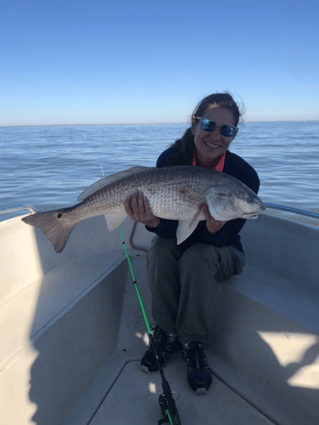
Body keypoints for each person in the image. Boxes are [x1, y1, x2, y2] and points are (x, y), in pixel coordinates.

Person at [124, 93, 261, 394]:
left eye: (227, 130)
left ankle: (193, 342)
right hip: (177, 240)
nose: (216, 136)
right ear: (194, 123)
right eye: (210, 125)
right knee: (161, 250)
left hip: (225, 250)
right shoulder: (170, 160)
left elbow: (226, 236)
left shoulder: (244, 176)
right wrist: (153, 221)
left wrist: (213, 231)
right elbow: (167, 232)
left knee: (198, 255)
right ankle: (165, 333)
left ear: (234, 134)